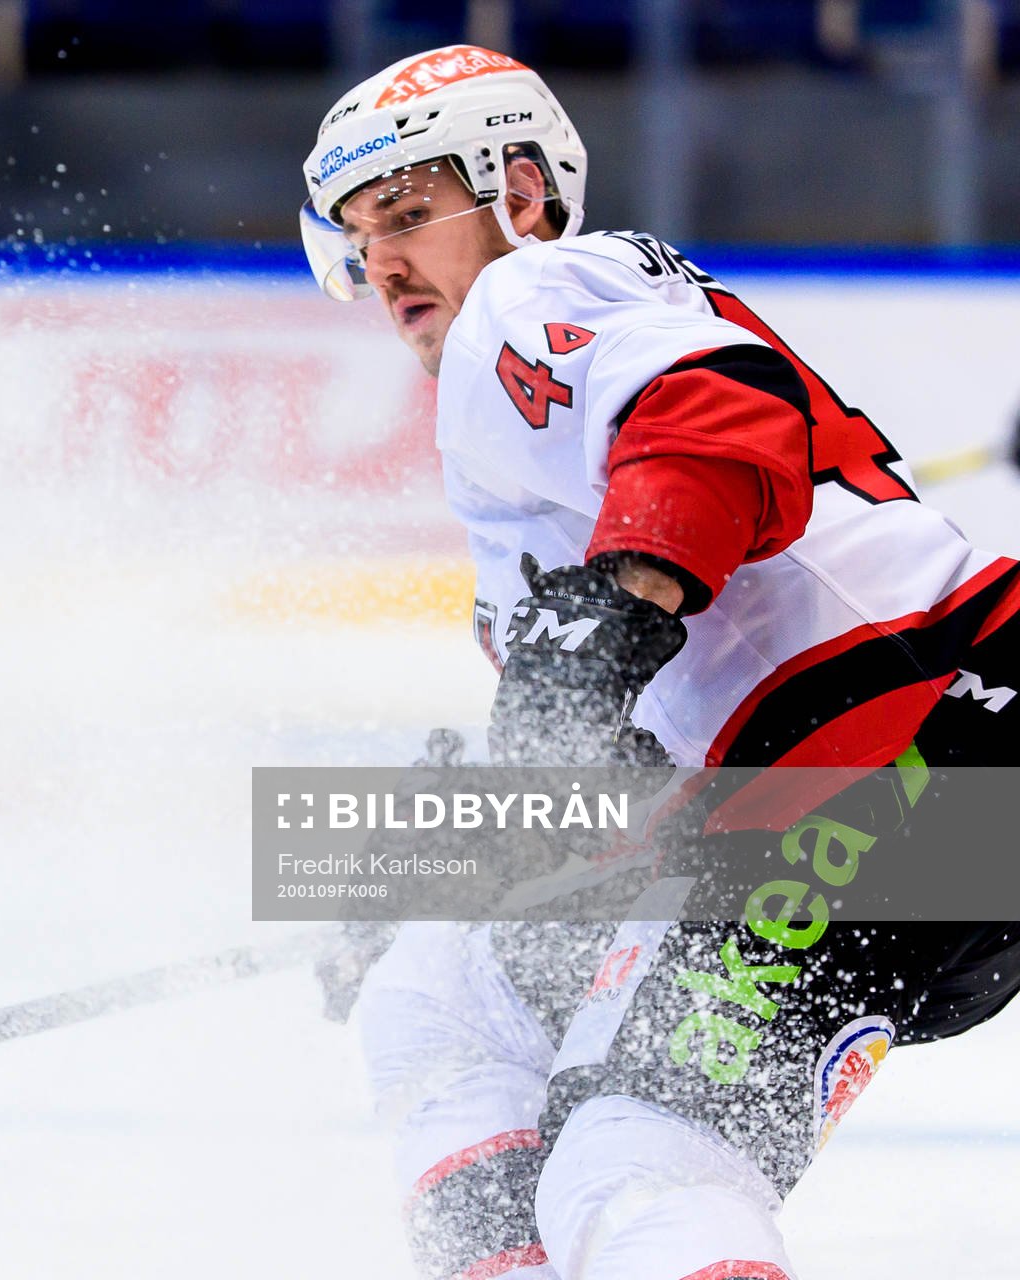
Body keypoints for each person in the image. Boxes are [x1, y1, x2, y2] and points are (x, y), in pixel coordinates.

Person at [299, 44, 1020, 1280]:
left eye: (412, 214)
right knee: (440, 986)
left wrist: (624, 602)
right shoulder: (517, 422)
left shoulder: (527, 301)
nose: (388, 265)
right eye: (365, 238)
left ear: (519, 193)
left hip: (908, 752)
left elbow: (719, 411)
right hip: (871, 784)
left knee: (638, 1159)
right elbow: (619, 742)